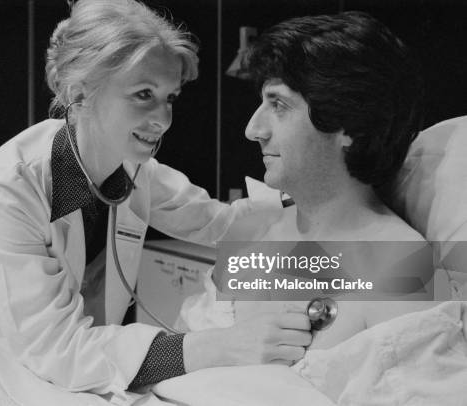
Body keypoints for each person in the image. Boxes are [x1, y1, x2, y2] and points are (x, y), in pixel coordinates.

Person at [0, 0, 312, 395]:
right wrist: (223, 344)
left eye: (170, 97)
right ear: (79, 92)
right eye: (143, 95)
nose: (164, 119)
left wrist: (318, 207)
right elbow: (59, 350)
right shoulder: (9, 187)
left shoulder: (130, 168)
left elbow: (219, 224)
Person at [181, 11, 435, 350]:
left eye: (279, 105)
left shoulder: (399, 266)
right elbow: (185, 348)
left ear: (350, 127)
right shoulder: (253, 234)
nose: (252, 130)